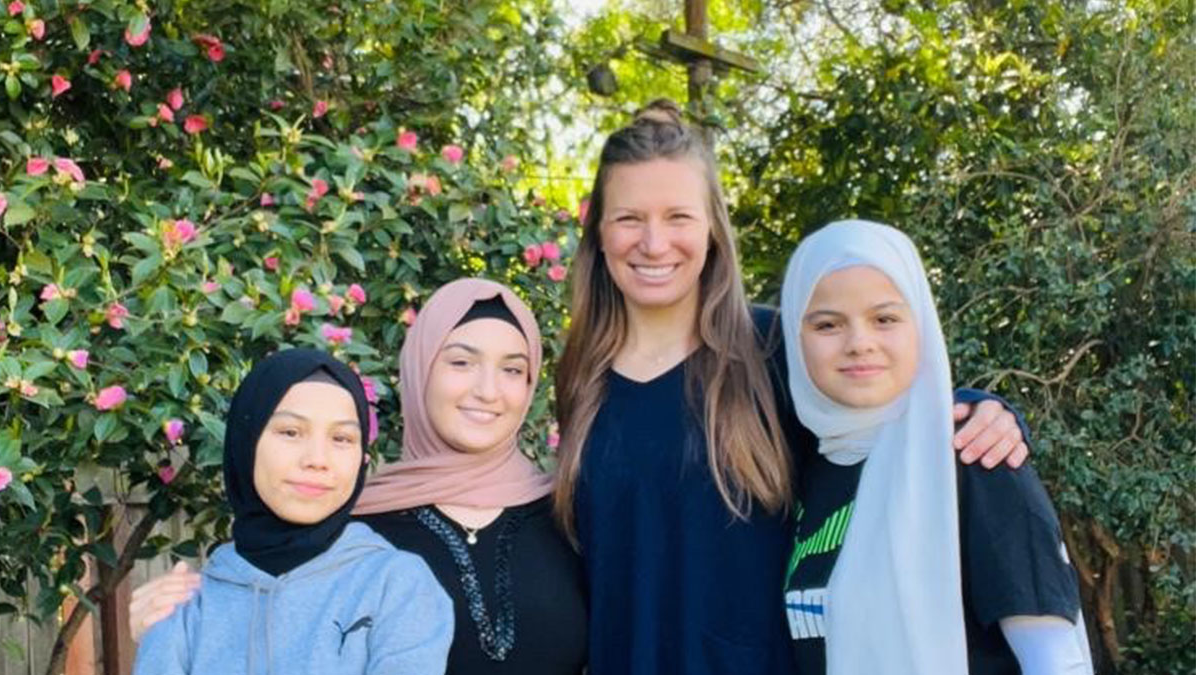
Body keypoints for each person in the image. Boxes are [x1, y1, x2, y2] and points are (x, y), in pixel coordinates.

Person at [551, 100, 1031, 675]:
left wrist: (982, 410)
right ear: (598, 233)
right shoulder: (582, 373)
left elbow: (884, 406)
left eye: (678, 217)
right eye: (629, 218)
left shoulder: (773, 349)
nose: (654, 244)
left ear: (712, 231)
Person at [132, 280, 587, 675]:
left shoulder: (573, 516)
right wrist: (161, 626)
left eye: (513, 369)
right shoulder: (340, 522)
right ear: (419, 368)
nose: (488, 390)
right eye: (461, 362)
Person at [779, 220, 1092, 674]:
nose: (859, 343)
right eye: (827, 324)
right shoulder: (798, 466)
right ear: (794, 335)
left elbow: (1055, 661)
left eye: (885, 318)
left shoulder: (972, 456)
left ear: (920, 325)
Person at [132, 348, 453, 675]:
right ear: (246, 442)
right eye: (290, 432)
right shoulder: (186, 604)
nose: (317, 458)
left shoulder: (397, 585)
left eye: (341, 438)